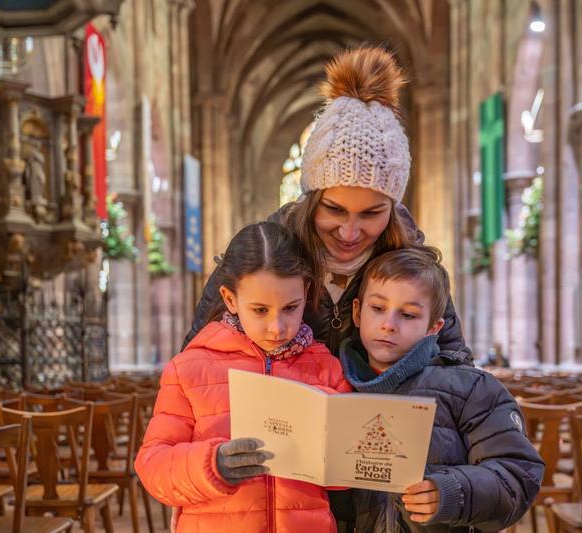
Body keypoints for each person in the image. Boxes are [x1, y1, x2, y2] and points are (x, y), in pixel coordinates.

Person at [184, 46, 471, 530]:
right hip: (279, 489)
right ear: (311, 195)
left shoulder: (413, 270)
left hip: (381, 492)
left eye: (371, 213)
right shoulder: (263, 260)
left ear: (393, 206)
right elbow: (200, 360)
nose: (351, 231)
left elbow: (453, 374)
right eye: (334, 210)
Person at [135, 222, 351, 533]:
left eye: (290, 307)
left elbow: (342, 481)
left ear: (305, 292)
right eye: (260, 310)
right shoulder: (189, 369)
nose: (278, 327)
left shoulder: (325, 368)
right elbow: (153, 465)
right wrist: (213, 464)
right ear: (230, 299)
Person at [339, 247, 544, 532]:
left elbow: (517, 476)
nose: (388, 325)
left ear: (433, 328)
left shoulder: (472, 389)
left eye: (408, 315)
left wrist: (452, 492)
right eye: (378, 308)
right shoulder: (334, 385)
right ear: (358, 312)